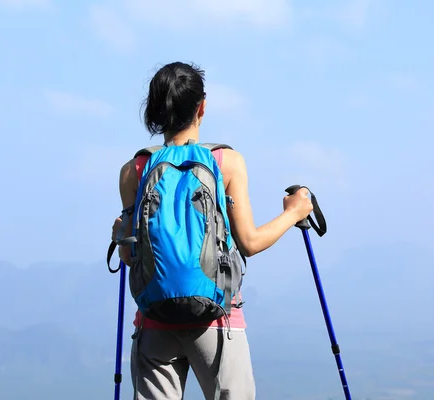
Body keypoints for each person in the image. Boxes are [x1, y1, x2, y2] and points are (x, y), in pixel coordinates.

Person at [111, 61, 313, 400]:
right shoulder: (226, 162)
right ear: (202, 106)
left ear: (155, 109)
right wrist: (294, 213)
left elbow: (132, 256)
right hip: (218, 320)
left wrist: (121, 239)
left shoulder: (134, 170)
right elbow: (248, 242)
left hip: (154, 321)